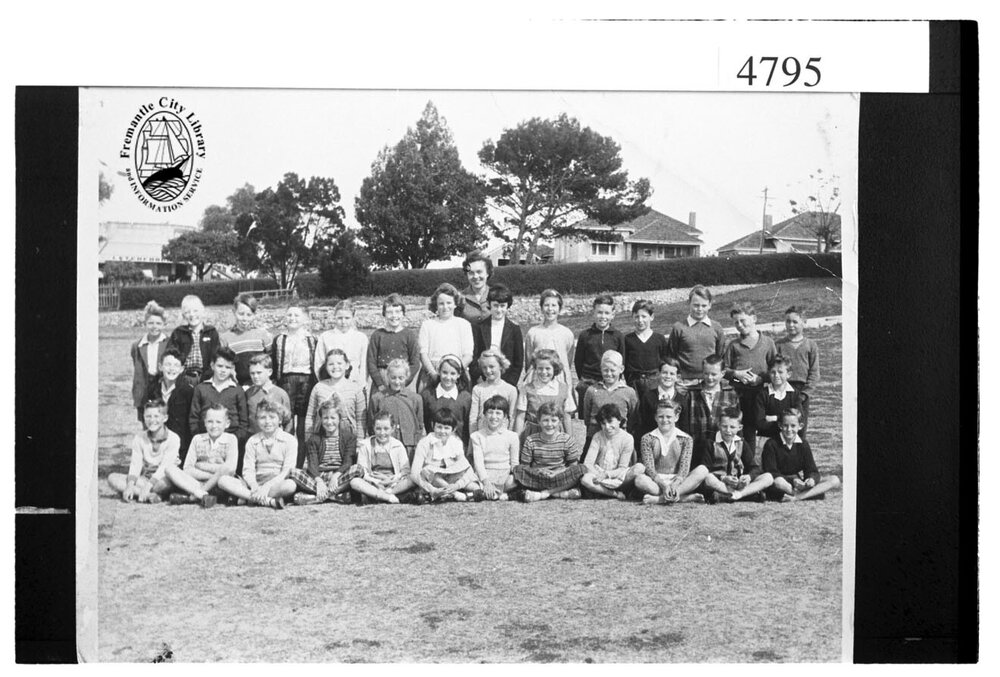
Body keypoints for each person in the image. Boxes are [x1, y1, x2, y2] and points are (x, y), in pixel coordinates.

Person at [218, 399, 297, 509]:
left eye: (272, 417)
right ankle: (268, 501)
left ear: (280, 419)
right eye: (262, 418)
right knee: (223, 480)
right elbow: (248, 469)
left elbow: (286, 471)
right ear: (257, 420)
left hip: (276, 484)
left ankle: (247, 497)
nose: (267, 421)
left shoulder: (290, 440)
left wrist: (267, 486)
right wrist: (254, 485)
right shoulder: (253, 441)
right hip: (254, 485)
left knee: (290, 485)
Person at [722, 302, 776, 452]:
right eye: (736, 322)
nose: (739, 325)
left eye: (743, 320)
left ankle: (759, 459)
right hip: (738, 395)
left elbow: (775, 370)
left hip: (760, 394)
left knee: (757, 427)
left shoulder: (768, 343)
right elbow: (724, 370)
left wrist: (761, 379)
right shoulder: (733, 345)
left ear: (754, 319)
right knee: (741, 429)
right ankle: (740, 459)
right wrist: (736, 375)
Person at [633, 399, 709, 504]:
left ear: (676, 417)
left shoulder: (686, 439)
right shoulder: (647, 438)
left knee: (703, 470)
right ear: (655, 418)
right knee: (639, 480)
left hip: (678, 481)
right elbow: (649, 468)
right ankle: (682, 498)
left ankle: (660, 499)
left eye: (669, 417)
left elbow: (684, 468)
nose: (665, 420)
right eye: (661, 416)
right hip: (656, 481)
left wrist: (675, 485)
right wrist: (663, 486)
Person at [692, 407, 773, 502]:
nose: (728, 430)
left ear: (740, 427)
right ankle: (743, 495)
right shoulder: (710, 443)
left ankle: (736, 495)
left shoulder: (741, 443)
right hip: (720, 482)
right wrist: (723, 478)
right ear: (719, 425)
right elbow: (705, 469)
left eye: (732, 427)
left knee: (768, 477)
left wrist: (748, 477)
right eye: (724, 426)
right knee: (707, 478)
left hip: (737, 483)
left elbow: (754, 467)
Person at [107, 399, 181, 503]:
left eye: (156, 416)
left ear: (165, 418)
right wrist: (130, 485)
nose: (152, 420)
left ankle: (146, 492)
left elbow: (164, 467)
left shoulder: (173, 438)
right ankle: (150, 495)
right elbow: (135, 464)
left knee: (165, 483)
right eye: (148, 416)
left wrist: (148, 486)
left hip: (163, 478)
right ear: (144, 417)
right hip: (145, 479)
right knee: (112, 478)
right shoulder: (139, 437)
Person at [290, 397, 361, 505]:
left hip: (339, 475)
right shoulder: (314, 439)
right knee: (293, 472)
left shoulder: (349, 437)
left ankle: (317, 497)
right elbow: (312, 465)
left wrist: (336, 476)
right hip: (319, 475)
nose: (329, 422)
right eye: (325, 418)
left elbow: (348, 462)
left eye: (333, 418)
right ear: (321, 419)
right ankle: (334, 496)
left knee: (358, 469)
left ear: (339, 418)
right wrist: (319, 481)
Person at [165, 403, 238, 507]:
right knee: (170, 469)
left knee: (225, 472)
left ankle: (194, 496)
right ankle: (202, 494)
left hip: (220, 484)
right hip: (197, 483)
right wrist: (213, 476)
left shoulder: (231, 439)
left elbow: (230, 469)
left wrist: (201, 466)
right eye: (210, 421)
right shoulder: (197, 439)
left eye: (218, 422)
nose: (214, 426)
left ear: (227, 424)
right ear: (205, 422)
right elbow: (187, 469)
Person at [512, 402, 587, 502]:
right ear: (539, 421)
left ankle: (546, 493)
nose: (549, 424)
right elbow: (525, 466)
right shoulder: (531, 440)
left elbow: (573, 466)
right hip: (538, 477)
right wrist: (539, 471)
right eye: (545, 420)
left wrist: (557, 472)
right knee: (518, 470)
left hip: (560, 476)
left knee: (581, 469)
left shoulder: (567, 440)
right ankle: (561, 492)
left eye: (554, 420)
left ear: (560, 421)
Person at [761, 409, 840, 501]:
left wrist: (811, 480)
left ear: (800, 426)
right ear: (780, 425)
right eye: (785, 425)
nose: (789, 429)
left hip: (798, 483)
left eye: (793, 426)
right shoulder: (771, 444)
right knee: (779, 482)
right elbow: (771, 472)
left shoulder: (803, 444)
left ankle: (797, 497)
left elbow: (812, 470)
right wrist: (792, 481)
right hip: (781, 483)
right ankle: (806, 494)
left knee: (834, 480)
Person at [270, 304, 318, 446]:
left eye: (297, 315)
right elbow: (274, 363)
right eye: (289, 315)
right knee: (287, 419)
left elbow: (317, 362)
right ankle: (287, 453)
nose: (293, 318)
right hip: (286, 380)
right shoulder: (280, 339)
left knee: (303, 421)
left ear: (305, 319)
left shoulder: (312, 339)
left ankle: (301, 456)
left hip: (307, 381)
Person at [410, 407, 480, 502]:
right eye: (439, 427)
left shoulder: (456, 442)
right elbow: (414, 473)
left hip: (451, 479)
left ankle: (449, 494)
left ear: (453, 429)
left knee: (474, 485)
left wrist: (457, 485)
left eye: (446, 428)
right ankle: (456, 494)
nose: (442, 431)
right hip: (432, 480)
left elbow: (466, 466)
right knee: (430, 472)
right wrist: (432, 489)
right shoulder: (425, 443)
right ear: (433, 425)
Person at [580, 350, 639, 459]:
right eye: (605, 370)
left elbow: (633, 418)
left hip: (619, 439)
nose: (609, 374)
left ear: (621, 369)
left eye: (612, 370)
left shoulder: (629, 392)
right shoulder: (592, 391)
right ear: (601, 369)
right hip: (595, 438)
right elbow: (587, 417)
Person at [188, 347, 249, 450]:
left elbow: (243, 422)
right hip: (205, 441)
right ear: (212, 365)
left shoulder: (237, 390)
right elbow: (193, 418)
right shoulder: (201, 388)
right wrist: (200, 439)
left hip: (231, 442)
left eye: (227, 367)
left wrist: (234, 440)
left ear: (232, 369)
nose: (223, 370)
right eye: (220, 366)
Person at [573, 295, 626, 413]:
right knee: (589, 417)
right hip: (589, 382)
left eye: (607, 313)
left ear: (613, 314)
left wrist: (615, 380)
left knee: (609, 415)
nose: (603, 316)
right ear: (593, 313)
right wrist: (585, 379)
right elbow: (578, 362)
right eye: (599, 312)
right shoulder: (585, 335)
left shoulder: (618, 336)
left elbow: (622, 361)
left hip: (610, 382)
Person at [417, 283, 474, 392]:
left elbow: (468, 355)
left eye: (449, 303)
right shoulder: (427, 325)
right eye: (441, 303)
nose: (445, 307)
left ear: (455, 304)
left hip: (457, 373)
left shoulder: (464, 324)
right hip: (431, 372)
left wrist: (454, 372)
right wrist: (434, 375)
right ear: (436, 305)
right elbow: (423, 354)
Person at [349, 412, 416, 504]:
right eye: (378, 429)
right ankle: (388, 497)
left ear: (392, 429)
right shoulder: (365, 445)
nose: (382, 433)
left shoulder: (398, 445)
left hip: (393, 483)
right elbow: (362, 470)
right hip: (373, 483)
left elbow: (405, 470)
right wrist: (376, 481)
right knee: (354, 482)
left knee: (413, 478)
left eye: (386, 429)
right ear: (373, 428)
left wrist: (390, 479)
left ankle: (386, 494)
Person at [305, 349, 367, 445]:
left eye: (339, 363)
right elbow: (310, 416)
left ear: (347, 365)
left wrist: (359, 442)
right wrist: (309, 440)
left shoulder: (356, 389)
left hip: (349, 441)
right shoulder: (319, 387)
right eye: (331, 364)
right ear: (326, 367)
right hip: (322, 438)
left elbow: (361, 419)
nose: (335, 367)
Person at [666, 285, 726, 385]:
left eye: (704, 306)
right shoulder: (679, 327)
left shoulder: (717, 327)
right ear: (689, 303)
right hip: (684, 382)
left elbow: (720, 355)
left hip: (710, 381)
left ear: (710, 305)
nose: (699, 309)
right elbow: (671, 355)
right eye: (696, 305)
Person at [368, 359, 424, 462]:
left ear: (407, 377)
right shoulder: (378, 398)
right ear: (387, 376)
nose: (397, 381)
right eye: (393, 377)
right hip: (385, 445)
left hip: (408, 446)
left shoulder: (415, 399)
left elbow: (420, 425)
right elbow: (371, 424)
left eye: (401, 378)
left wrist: (416, 444)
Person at [144, 348, 194, 463]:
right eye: (168, 364)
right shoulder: (152, 389)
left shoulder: (188, 391)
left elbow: (190, 424)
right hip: (157, 444)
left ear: (182, 369)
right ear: (160, 367)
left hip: (180, 447)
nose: (171, 369)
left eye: (176, 365)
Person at [580, 404, 640, 500]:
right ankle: (613, 494)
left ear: (619, 420)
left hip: (618, 476)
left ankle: (603, 491)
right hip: (599, 474)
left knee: (639, 468)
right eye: (603, 423)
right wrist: (598, 475)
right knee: (585, 480)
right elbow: (588, 463)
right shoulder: (597, 436)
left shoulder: (627, 438)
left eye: (610, 421)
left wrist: (607, 474)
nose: (607, 427)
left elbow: (622, 468)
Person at [513, 348, 575, 443]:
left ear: (555, 368)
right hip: (532, 435)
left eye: (548, 368)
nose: (544, 372)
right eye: (540, 368)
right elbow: (520, 417)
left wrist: (570, 441)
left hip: (555, 435)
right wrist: (516, 441)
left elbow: (567, 418)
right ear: (535, 369)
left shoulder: (564, 389)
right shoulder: (527, 389)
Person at [523, 289, 576, 396]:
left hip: (560, 379)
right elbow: (529, 361)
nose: (550, 309)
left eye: (554, 305)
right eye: (546, 305)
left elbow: (568, 360)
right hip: (538, 377)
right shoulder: (533, 332)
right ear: (541, 308)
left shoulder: (567, 333)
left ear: (559, 309)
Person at [469, 284, 523, 387]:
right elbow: (474, 356)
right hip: (483, 379)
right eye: (495, 305)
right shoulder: (479, 327)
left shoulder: (514, 329)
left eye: (502, 306)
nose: (499, 310)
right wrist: (478, 378)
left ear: (507, 306)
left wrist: (510, 384)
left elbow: (518, 361)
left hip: (506, 381)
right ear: (489, 304)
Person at [366, 294, 421, 393]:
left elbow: (415, 363)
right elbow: (371, 363)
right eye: (389, 312)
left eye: (397, 312)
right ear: (384, 314)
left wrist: (404, 382)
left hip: (403, 379)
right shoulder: (377, 335)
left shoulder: (409, 335)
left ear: (403, 313)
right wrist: (379, 384)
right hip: (382, 380)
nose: (394, 316)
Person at [468, 395, 520, 500]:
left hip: (504, 475)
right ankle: (500, 495)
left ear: (505, 416)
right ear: (484, 414)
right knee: (466, 480)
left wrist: (514, 477)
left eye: (498, 413)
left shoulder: (512, 436)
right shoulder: (477, 436)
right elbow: (479, 463)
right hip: (484, 475)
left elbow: (514, 463)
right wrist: (486, 482)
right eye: (490, 412)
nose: (494, 416)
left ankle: (483, 494)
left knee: (516, 480)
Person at [633, 358, 687, 457]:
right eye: (664, 373)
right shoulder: (648, 397)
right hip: (650, 449)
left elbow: (685, 428)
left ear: (677, 377)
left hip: (674, 450)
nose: (668, 376)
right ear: (658, 374)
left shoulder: (682, 399)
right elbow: (641, 425)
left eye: (672, 374)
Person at [774, 305, 820, 422]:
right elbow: (773, 370)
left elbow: (814, 373)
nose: (791, 325)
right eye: (788, 321)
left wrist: (804, 394)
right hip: (782, 390)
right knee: (782, 424)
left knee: (800, 425)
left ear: (804, 322)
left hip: (802, 392)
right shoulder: (778, 345)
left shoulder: (811, 345)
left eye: (795, 322)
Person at [680, 354, 740, 442]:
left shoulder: (731, 394)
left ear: (722, 373)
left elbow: (737, 420)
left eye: (714, 374)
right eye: (706, 373)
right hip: (697, 443)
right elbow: (684, 423)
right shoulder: (692, 393)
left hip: (721, 444)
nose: (709, 377)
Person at [166, 295, 221, 387]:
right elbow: (172, 354)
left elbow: (216, 355)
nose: (192, 315)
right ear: (183, 315)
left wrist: (210, 374)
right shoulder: (179, 333)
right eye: (187, 312)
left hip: (206, 376)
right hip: (184, 376)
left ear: (202, 312)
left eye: (195, 311)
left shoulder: (211, 332)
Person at [219, 293, 273, 387]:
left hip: (260, 386)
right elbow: (224, 363)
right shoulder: (225, 338)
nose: (245, 319)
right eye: (241, 314)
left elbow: (271, 361)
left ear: (254, 315)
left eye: (249, 315)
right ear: (234, 312)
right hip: (238, 386)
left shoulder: (263, 334)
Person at [315, 300, 369, 390]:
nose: (343, 322)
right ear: (334, 317)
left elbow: (364, 364)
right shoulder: (325, 337)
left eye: (347, 318)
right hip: (331, 383)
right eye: (340, 318)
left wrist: (361, 384)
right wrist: (324, 383)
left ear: (353, 318)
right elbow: (319, 363)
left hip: (354, 383)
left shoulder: (361, 338)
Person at [420, 354, 473, 446]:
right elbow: (424, 422)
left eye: (453, 373)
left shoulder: (465, 398)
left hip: (457, 447)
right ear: (438, 371)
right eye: (444, 372)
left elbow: (467, 427)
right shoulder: (427, 395)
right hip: (432, 446)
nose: (448, 377)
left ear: (459, 374)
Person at [623, 299, 670, 401]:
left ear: (651, 317)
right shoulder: (627, 339)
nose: (640, 320)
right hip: (634, 383)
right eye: (636, 317)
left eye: (644, 316)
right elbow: (624, 364)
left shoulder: (659, 339)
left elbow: (665, 362)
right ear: (632, 317)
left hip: (655, 382)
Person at [755, 356, 809, 443]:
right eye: (773, 372)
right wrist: (787, 422)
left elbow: (799, 420)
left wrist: (774, 418)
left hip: (789, 439)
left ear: (788, 374)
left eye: (780, 372)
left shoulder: (795, 395)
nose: (776, 375)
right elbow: (760, 424)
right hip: (766, 439)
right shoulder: (762, 395)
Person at [130, 300, 168, 421]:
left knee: (162, 419)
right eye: (151, 323)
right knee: (147, 422)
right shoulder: (137, 345)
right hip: (144, 389)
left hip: (161, 386)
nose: (154, 326)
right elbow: (137, 366)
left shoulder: (169, 343)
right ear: (145, 324)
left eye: (158, 323)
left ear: (164, 324)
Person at [469, 349, 518, 433]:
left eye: (491, 367)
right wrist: (473, 437)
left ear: (501, 366)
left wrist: (509, 437)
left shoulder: (510, 390)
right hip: (482, 436)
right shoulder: (478, 389)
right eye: (484, 367)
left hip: (502, 436)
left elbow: (512, 418)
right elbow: (473, 418)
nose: (488, 371)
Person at [245, 354, 293, 435]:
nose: (255, 376)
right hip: (254, 438)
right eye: (252, 373)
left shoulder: (281, 394)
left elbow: (288, 421)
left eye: (259, 373)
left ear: (269, 372)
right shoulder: (248, 394)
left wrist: (284, 438)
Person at [459, 251, 493, 323]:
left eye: (479, 272)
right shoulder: (460, 298)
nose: (475, 276)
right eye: (471, 273)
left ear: (487, 273)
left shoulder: (496, 295)